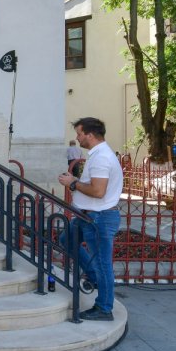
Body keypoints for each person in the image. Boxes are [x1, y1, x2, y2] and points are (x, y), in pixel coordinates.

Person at [56, 117, 123, 321]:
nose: (77, 138)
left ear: (90, 135)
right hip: (87, 215)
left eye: (79, 134)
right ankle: (94, 277)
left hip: (99, 218)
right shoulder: (98, 154)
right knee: (66, 240)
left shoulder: (102, 157)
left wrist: (73, 183)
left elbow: (98, 190)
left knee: (103, 263)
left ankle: (104, 308)